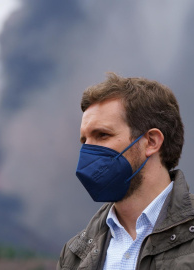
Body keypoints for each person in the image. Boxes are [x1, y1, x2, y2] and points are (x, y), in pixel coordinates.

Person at [57, 73, 194, 270]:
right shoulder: (73, 255)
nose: (87, 152)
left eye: (102, 135)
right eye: (84, 141)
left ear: (152, 142)